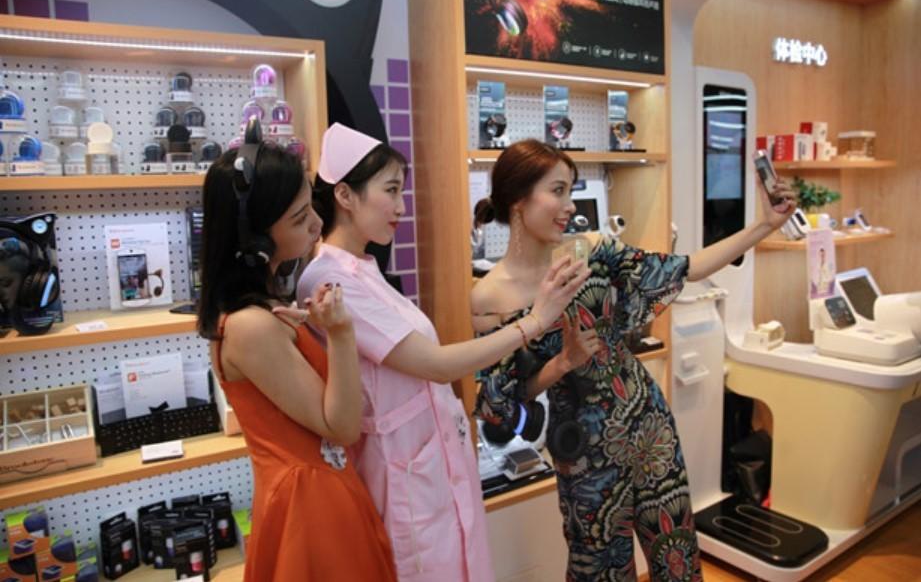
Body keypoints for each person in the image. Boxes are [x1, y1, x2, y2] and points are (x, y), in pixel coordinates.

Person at [471, 139, 796, 581]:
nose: (570, 205)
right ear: (518, 200)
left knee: (676, 558)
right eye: (558, 191)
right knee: (599, 569)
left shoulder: (593, 250)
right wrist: (563, 362)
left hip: (648, 424)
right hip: (582, 450)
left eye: (571, 191)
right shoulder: (489, 296)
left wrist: (764, 225)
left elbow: (688, 267)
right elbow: (504, 401)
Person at [296, 123, 590, 581]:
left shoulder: (364, 269)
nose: (401, 206)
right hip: (403, 471)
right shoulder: (329, 281)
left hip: (434, 458)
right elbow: (433, 365)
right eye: (391, 191)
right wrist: (535, 321)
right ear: (345, 195)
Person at [197, 134, 397, 581]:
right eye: (300, 218)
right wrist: (341, 333)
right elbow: (340, 426)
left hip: (320, 493)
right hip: (311, 509)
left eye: (311, 209)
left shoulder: (263, 310)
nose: (317, 224)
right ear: (255, 239)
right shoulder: (251, 325)